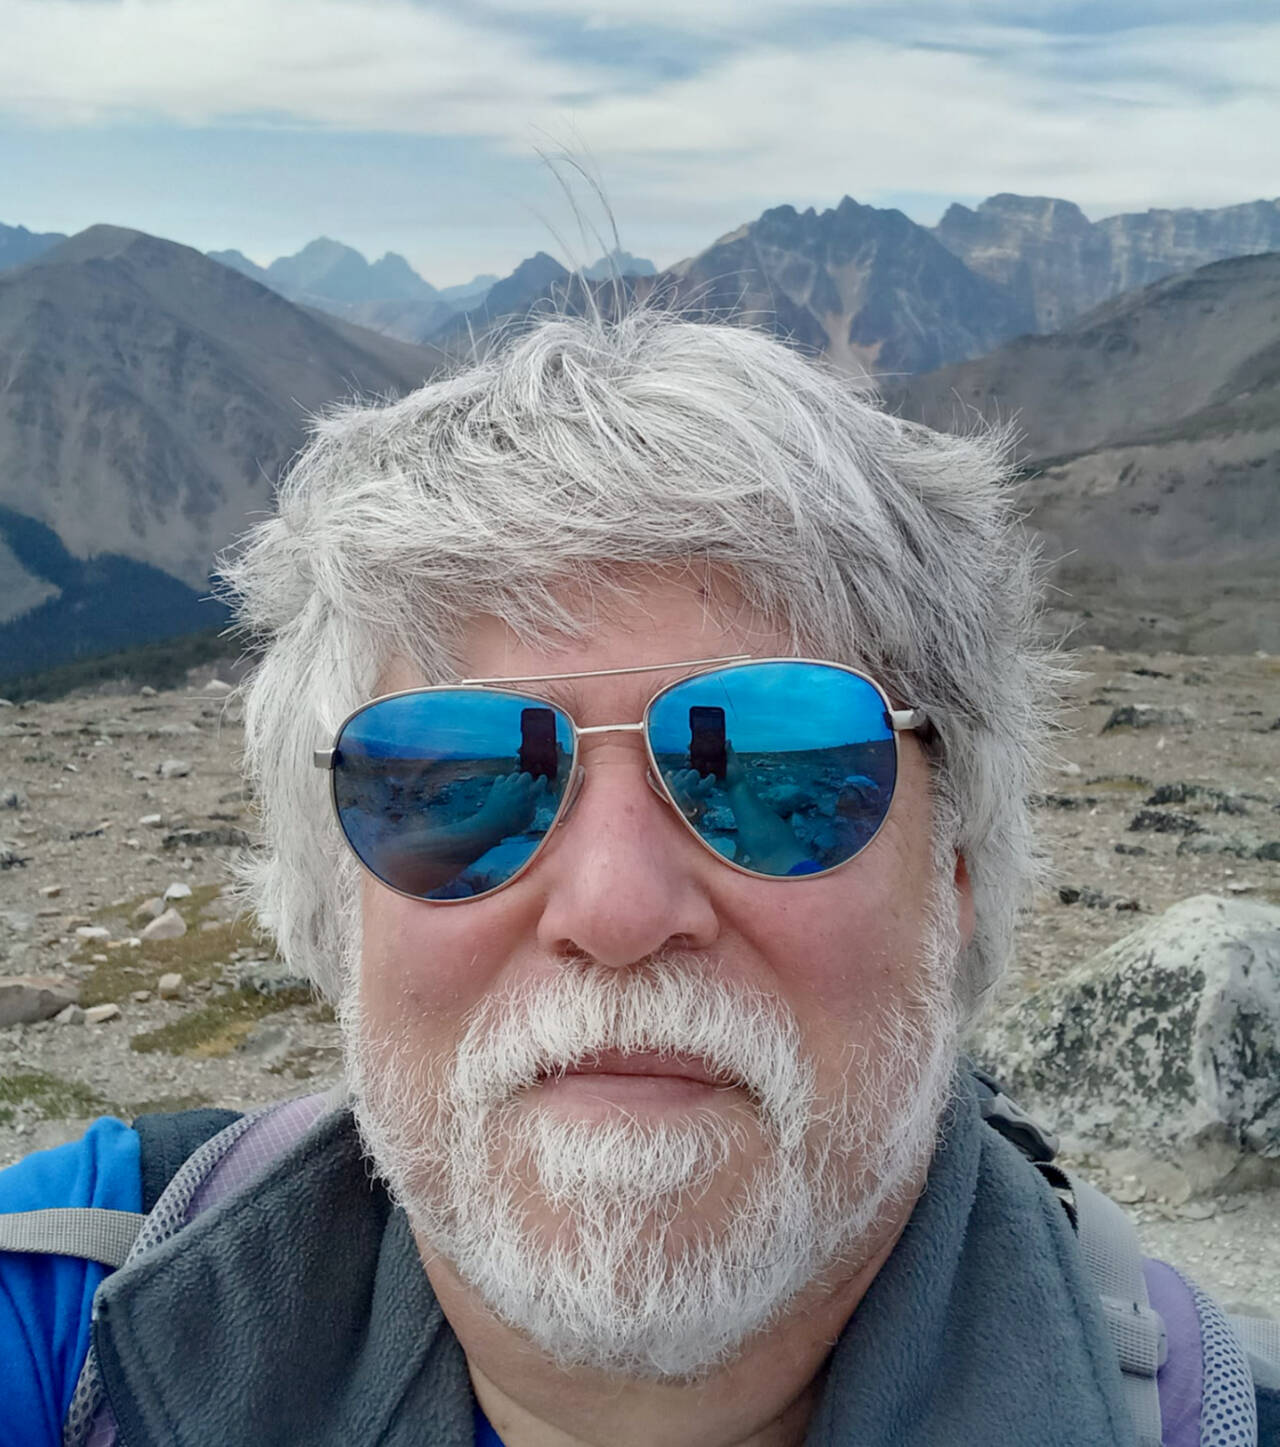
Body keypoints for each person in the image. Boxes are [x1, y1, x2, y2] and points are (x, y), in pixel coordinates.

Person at [1, 309, 1274, 1447]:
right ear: (339, 896)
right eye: (458, 781)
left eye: (773, 772)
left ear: (951, 873)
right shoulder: (73, 1295)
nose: (614, 909)